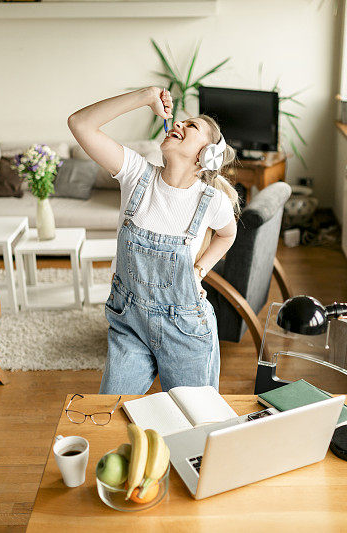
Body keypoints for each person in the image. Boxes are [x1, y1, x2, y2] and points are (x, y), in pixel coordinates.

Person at [67, 87, 240, 394]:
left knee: (193, 421)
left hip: (186, 329)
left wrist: (199, 271)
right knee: (112, 413)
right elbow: (80, 124)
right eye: (180, 122)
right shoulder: (135, 174)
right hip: (129, 324)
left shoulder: (211, 201)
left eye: (191, 126)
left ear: (208, 154)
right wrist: (146, 97)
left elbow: (228, 234)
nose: (179, 125)